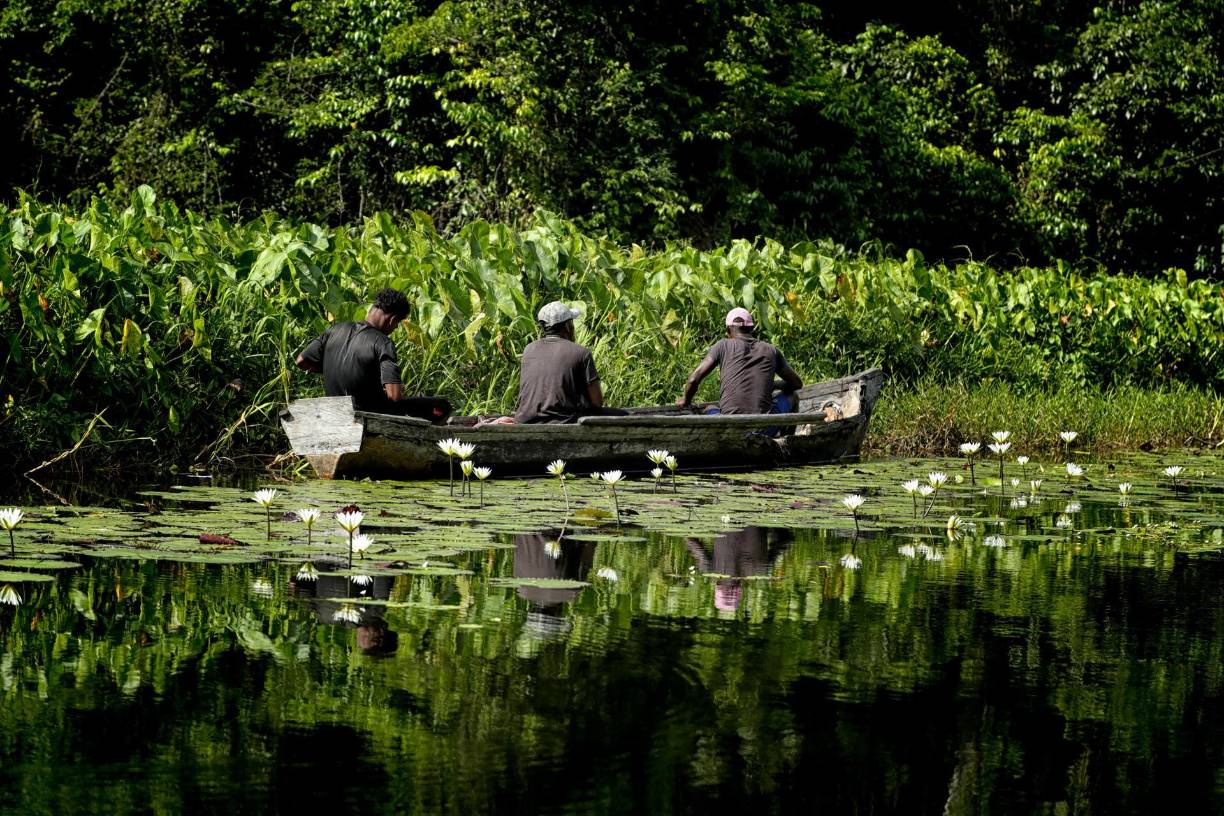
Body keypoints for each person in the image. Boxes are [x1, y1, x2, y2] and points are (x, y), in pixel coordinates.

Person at [295, 287, 451, 423]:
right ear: (392, 319)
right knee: (441, 405)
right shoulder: (383, 343)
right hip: (367, 413)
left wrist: (337, 371)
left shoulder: (334, 329)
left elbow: (301, 361)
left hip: (335, 411)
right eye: (396, 325)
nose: (394, 329)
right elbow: (394, 396)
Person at [514, 301, 627, 424]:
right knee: (624, 415)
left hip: (524, 421)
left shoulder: (529, 349)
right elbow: (597, 402)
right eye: (572, 323)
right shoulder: (582, 353)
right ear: (567, 326)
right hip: (562, 422)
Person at [677, 307, 803, 415]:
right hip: (763, 429)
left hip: (730, 428)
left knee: (709, 408)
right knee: (793, 396)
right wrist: (774, 385)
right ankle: (787, 439)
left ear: (728, 331)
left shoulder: (723, 346)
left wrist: (686, 401)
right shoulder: (771, 350)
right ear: (752, 329)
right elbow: (797, 384)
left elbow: (693, 379)